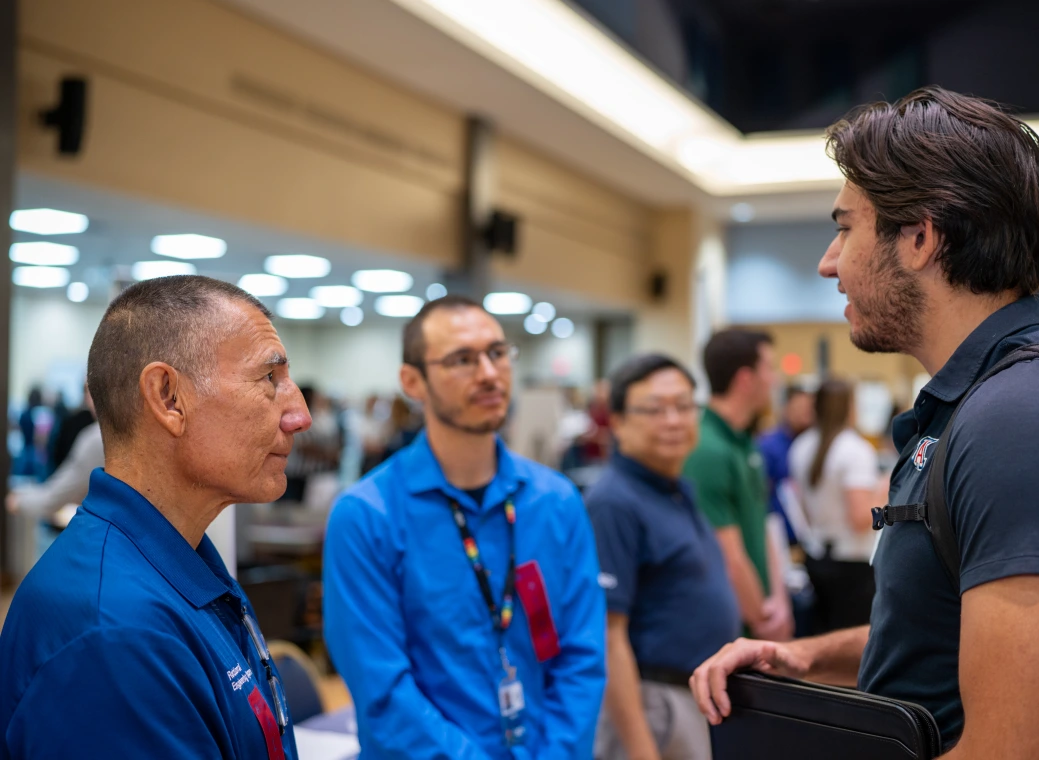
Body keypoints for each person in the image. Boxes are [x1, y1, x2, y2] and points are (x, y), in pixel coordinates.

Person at [690, 86, 1039, 759]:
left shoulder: (1028, 420)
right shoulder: (989, 405)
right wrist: (804, 659)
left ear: (921, 238)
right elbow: (957, 635)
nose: (828, 262)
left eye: (845, 228)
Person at [0, 275, 312, 759]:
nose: (300, 415)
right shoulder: (112, 634)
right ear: (168, 398)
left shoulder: (179, 561)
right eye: (269, 379)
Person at [323, 294, 606, 759]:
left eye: (497, 352)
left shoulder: (555, 501)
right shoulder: (366, 515)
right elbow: (384, 690)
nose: (489, 373)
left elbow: (581, 657)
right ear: (412, 381)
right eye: (461, 360)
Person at [589, 354, 739, 760]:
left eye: (684, 406)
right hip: (655, 704)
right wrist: (641, 749)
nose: (673, 421)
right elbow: (608, 635)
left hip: (697, 700)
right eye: (655, 409)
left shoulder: (675, 488)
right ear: (617, 421)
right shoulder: (614, 502)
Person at [684, 329, 792, 642]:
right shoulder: (708, 449)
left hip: (760, 612)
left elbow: (761, 524)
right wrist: (762, 621)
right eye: (769, 368)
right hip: (732, 629)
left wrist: (779, 600)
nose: (774, 379)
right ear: (746, 379)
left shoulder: (744, 443)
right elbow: (728, 556)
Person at [788, 379, 881, 632]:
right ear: (850, 407)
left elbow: (804, 508)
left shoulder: (800, 446)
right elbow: (861, 519)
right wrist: (885, 494)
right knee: (852, 646)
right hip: (851, 563)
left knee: (824, 638)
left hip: (817, 557)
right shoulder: (855, 450)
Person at [6, 386, 103, 520]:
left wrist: (19, 501)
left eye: (90, 389)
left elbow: (53, 498)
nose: (87, 398)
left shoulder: (97, 438)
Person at [757, 383, 815, 546]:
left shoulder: (815, 446)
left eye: (809, 409)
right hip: (781, 535)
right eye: (800, 407)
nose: (805, 414)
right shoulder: (768, 447)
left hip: (813, 535)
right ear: (786, 408)